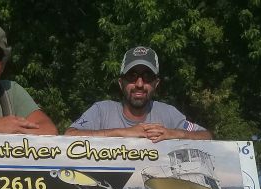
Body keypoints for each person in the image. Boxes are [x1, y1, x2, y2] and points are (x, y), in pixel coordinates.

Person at [65, 46, 211, 142]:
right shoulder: (101, 110)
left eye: (147, 76)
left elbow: (206, 136)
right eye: (132, 75)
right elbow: (69, 135)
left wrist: (174, 134)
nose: (139, 84)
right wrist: (124, 133)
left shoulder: (169, 113)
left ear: (156, 83)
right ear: (121, 82)